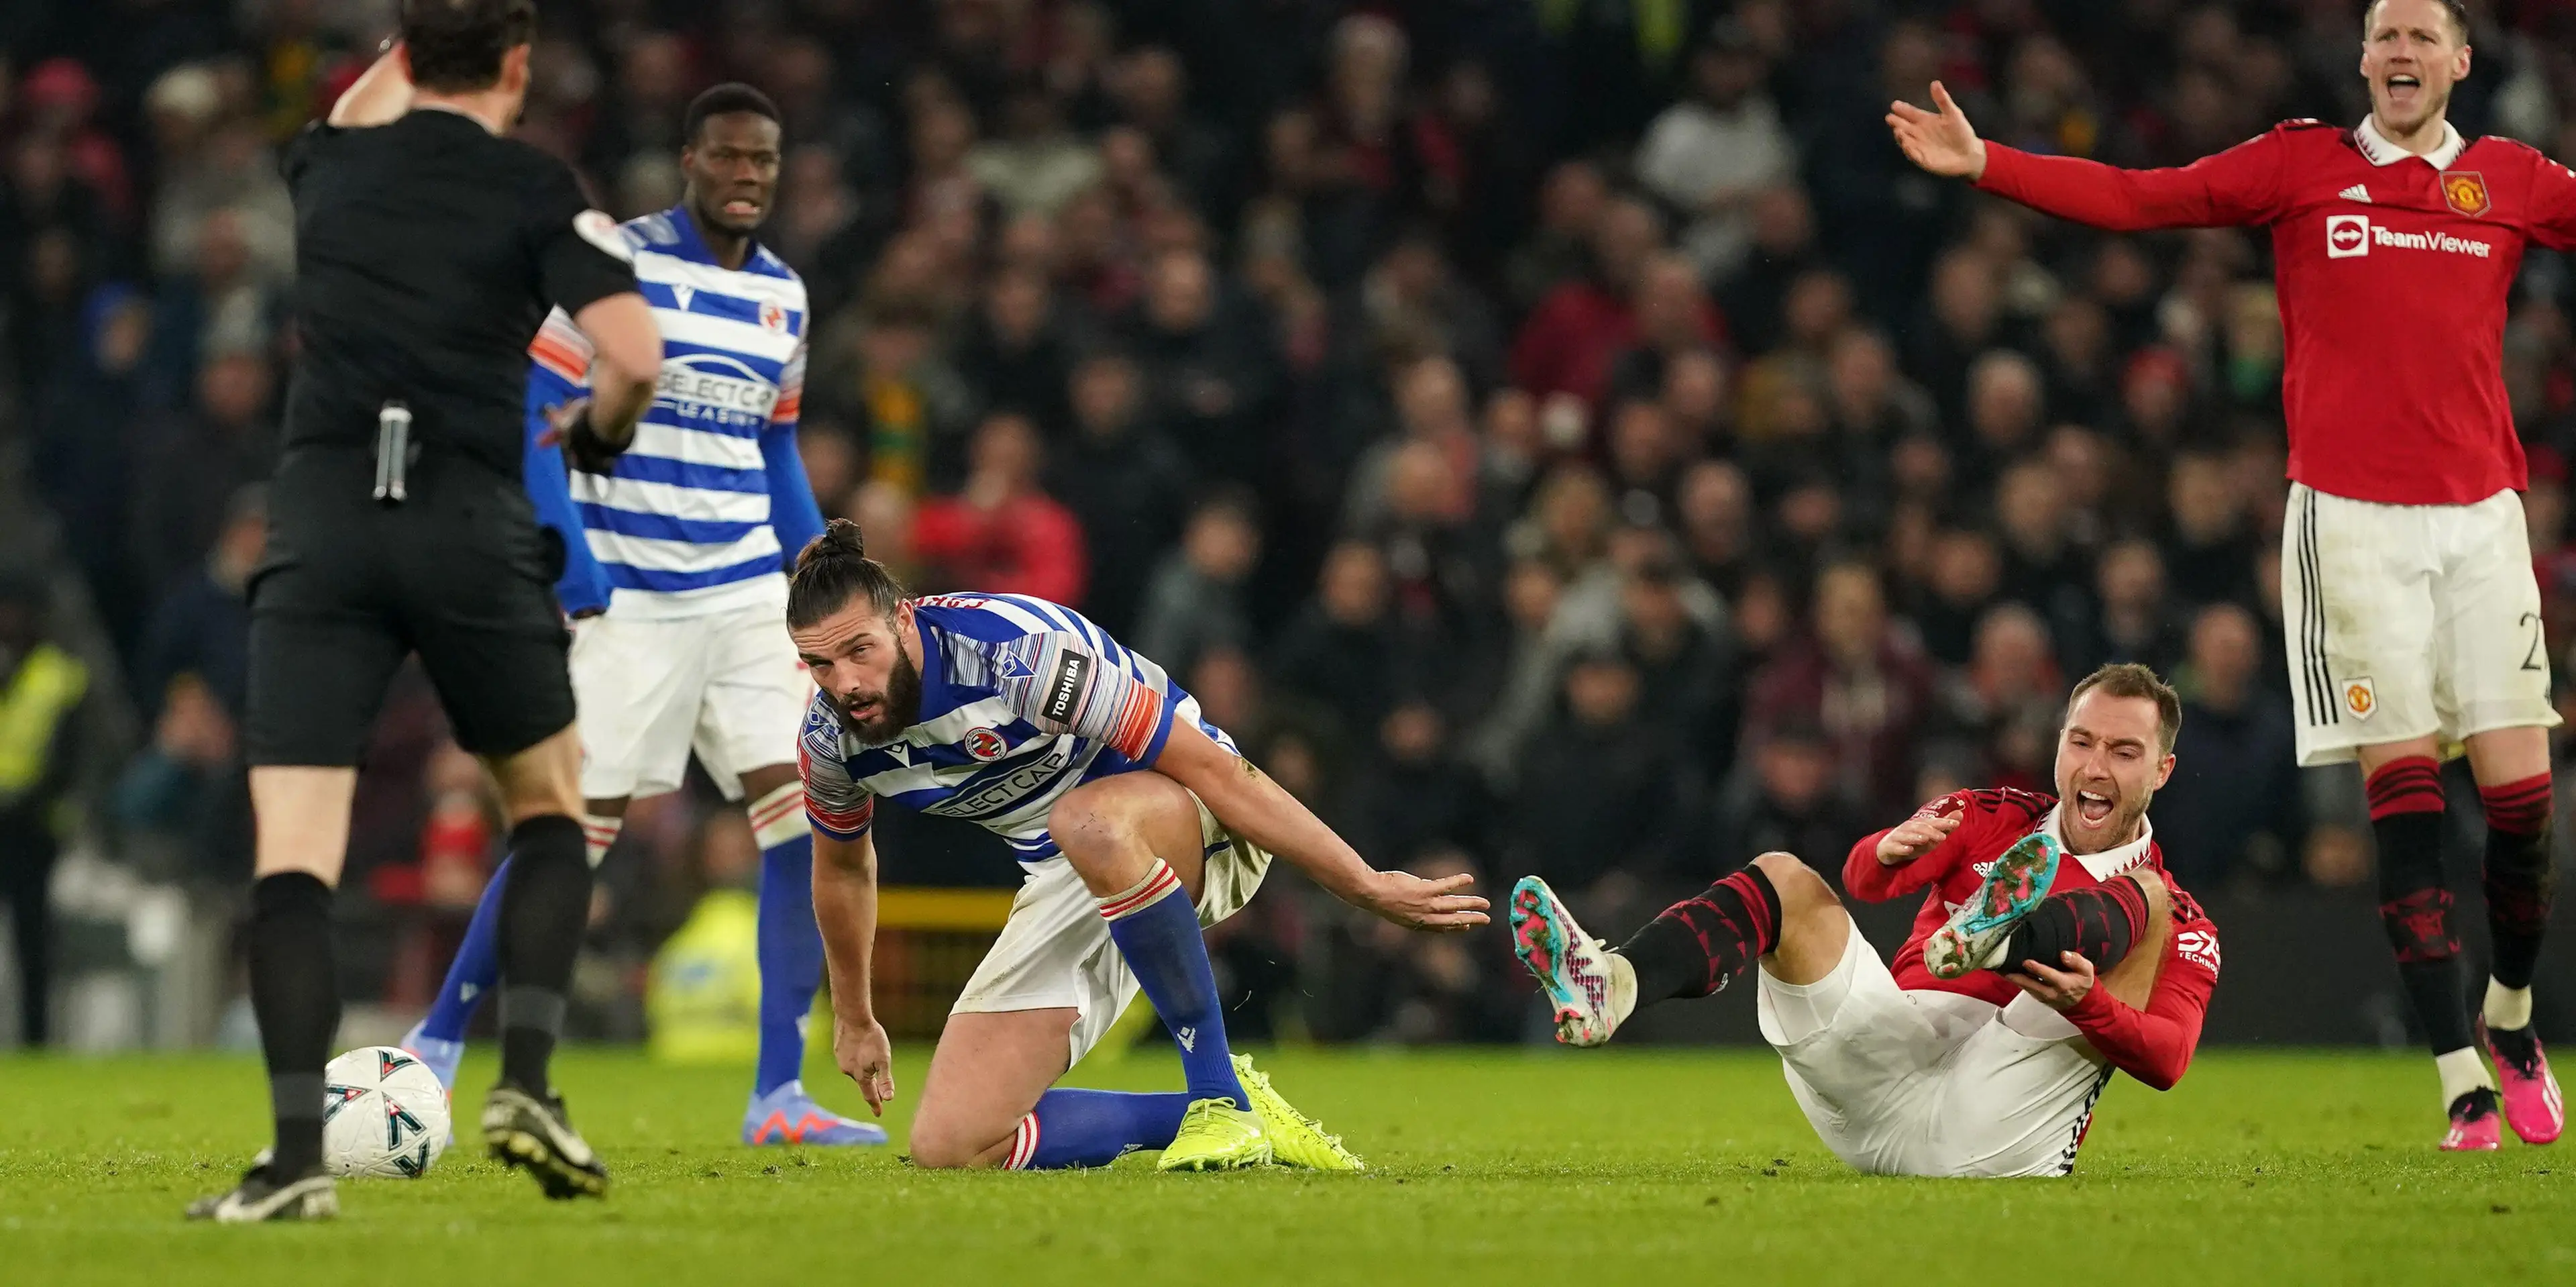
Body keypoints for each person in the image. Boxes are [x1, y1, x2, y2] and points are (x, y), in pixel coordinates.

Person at [1886, 0, 2572, 1151]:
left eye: (2422, 37)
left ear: (2461, 61)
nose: (2400, 54)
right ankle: (2458, 1070)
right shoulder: (2302, 163)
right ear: (2363, 59)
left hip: (2480, 522)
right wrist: (1989, 163)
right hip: (2350, 526)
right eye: (2382, 35)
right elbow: (2146, 196)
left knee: (2521, 803)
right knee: (2400, 795)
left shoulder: (2509, 177)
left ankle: (2510, 1012)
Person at [192, 0, 662, 1222]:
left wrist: (419, 37)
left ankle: (296, 1162)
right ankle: (529, 1085)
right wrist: (595, 435)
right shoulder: (533, 186)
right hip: (466, 522)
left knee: (293, 853)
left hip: (325, 523)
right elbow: (635, 355)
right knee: (550, 811)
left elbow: (362, 101)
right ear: (518, 63)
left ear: (401, 57)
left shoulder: (332, 164)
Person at [396, 83, 883, 1148]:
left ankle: (777, 1094)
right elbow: (536, 408)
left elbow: (774, 444)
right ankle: (432, 1044)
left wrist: (820, 570)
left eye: (765, 159)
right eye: (729, 157)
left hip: (748, 593)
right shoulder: (616, 262)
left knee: (810, 818)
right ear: (689, 160)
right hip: (631, 590)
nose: (747, 175)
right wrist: (570, 560)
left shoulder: (786, 297)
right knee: (567, 831)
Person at [788, 520, 1487, 1170]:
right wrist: (853, 1017)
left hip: (1198, 817)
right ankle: (1231, 1115)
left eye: (860, 651)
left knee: (1085, 821)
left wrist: (1363, 883)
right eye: (820, 665)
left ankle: (1215, 1090)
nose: (846, 683)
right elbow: (844, 871)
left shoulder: (1014, 657)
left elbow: (1212, 769)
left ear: (903, 618)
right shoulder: (830, 742)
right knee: (955, 1143)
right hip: (1073, 869)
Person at [1509, 664, 2220, 1178]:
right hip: (1885, 1066)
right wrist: (1881, 848)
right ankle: (1615, 983)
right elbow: (1864, 882)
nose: (2095, 766)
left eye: (2124, 752)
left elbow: (2167, 1060)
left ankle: (2006, 939)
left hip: (1994, 1125)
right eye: (2082, 741)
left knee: (2148, 899)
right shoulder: (1990, 814)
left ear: (2162, 769)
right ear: (2060, 742)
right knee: (1785, 876)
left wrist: (2087, 1001)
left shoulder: (2184, 916)